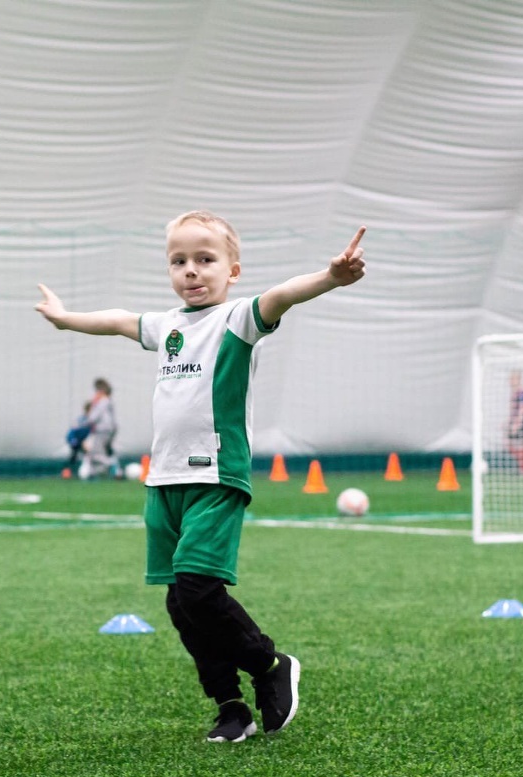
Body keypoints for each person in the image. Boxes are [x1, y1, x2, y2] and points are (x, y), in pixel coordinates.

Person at [34, 211, 366, 743]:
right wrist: (65, 317)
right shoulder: (165, 326)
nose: (191, 271)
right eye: (179, 261)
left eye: (205, 260)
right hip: (162, 482)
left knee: (198, 590)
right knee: (178, 602)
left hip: (215, 475)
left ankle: (268, 664)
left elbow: (282, 295)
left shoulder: (238, 318)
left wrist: (330, 277)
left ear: (232, 270)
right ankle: (230, 707)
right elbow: (119, 320)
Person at [79, 378, 121, 479]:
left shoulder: (103, 402)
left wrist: (83, 423)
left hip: (102, 430)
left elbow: (94, 417)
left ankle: (112, 465)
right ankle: (99, 472)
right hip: (108, 430)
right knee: (105, 452)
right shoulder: (107, 401)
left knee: (95, 454)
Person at [506, 370, 523, 475]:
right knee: (510, 445)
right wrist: (508, 422)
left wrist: (518, 424)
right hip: (515, 422)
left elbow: (522, 408)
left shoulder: (521, 392)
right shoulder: (514, 393)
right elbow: (514, 411)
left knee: (521, 446)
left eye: (512, 379)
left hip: (522, 424)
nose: (510, 381)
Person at [62, 401, 92, 478]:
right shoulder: (81, 420)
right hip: (76, 441)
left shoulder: (92, 420)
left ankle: (87, 471)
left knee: (88, 455)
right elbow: (72, 432)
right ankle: (67, 472)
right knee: (73, 457)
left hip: (84, 442)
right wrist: (74, 441)